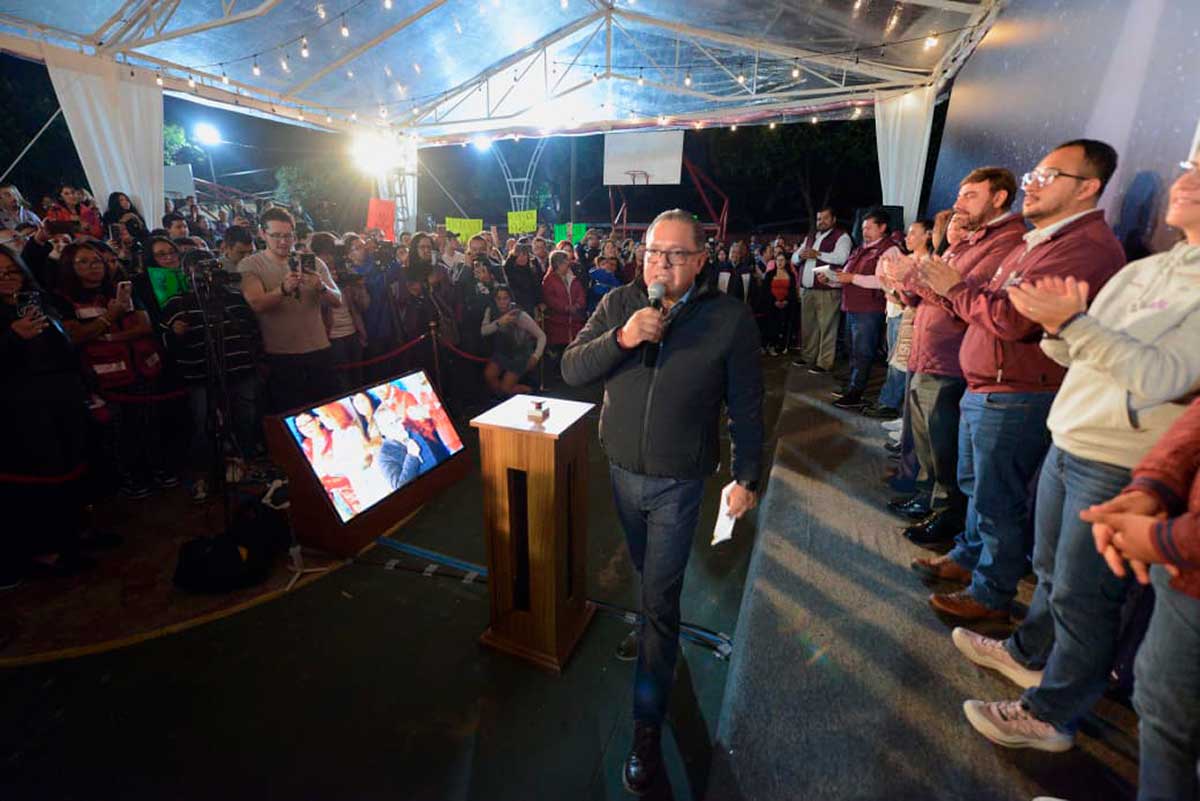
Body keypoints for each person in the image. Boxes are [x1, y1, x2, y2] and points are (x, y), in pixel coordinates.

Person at [955, 153, 1200, 753]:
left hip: (1123, 458)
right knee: (1052, 573)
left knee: (1086, 596)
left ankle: (1052, 715)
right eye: (1189, 165)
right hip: (1071, 435)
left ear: (1088, 186)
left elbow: (1164, 376)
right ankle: (1028, 654)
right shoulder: (1152, 270)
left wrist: (1074, 326)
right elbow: (1071, 348)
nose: (1186, 178)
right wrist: (1064, 327)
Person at [561, 209, 763, 796]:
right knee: (647, 574)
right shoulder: (620, 304)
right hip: (621, 471)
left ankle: (646, 729)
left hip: (679, 482)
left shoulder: (728, 319)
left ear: (701, 260)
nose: (661, 264)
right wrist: (624, 338)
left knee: (660, 597)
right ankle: (655, 629)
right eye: (652, 252)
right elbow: (573, 367)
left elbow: (747, 407)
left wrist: (747, 475)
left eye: (675, 254)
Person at [917, 139, 1127, 621]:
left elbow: (1013, 321)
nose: (1031, 185)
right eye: (1033, 175)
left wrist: (954, 287)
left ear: (1088, 188)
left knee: (997, 499)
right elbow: (990, 306)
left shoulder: (1082, 248)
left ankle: (991, 593)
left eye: (1048, 176)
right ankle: (969, 557)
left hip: (1017, 392)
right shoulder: (1040, 241)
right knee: (978, 488)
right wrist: (952, 290)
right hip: (988, 386)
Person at [899, 170, 1025, 554]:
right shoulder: (971, 241)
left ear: (999, 197)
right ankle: (932, 498)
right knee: (928, 442)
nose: (958, 205)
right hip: (930, 354)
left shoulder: (1005, 243)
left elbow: (961, 301)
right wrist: (916, 283)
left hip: (953, 360)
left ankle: (948, 513)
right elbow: (925, 292)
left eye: (970, 196)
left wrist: (928, 283)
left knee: (946, 448)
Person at [1083, 394, 1200, 801]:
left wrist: (1161, 539)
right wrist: (1152, 487)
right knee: (1164, 712)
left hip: (1181, 547)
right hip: (1183, 560)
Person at [0, 245, 96, 586]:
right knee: (36, 477)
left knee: (70, 468)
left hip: (62, 397)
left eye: (12, 271)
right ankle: (43, 552)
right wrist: (12, 336)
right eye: (0, 274)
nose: (7, 279)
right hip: (20, 408)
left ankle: (70, 538)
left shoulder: (39, 300)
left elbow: (68, 345)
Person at [56, 241, 172, 498]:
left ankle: (157, 469)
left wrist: (106, 336)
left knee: (149, 426)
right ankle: (128, 479)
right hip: (104, 380)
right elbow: (74, 336)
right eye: (83, 262)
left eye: (96, 260)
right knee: (118, 434)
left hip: (141, 369)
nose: (93, 267)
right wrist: (110, 317)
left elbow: (144, 325)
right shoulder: (63, 299)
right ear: (69, 266)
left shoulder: (121, 291)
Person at [161, 251, 263, 502]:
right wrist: (176, 333)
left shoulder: (236, 299)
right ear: (188, 274)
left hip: (240, 371)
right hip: (200, 375)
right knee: (203, 425)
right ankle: (204, 474)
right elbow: (167, 343)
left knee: (245, 418)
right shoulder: (178, 302)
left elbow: (252, 331)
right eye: (200, 269)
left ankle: (244, 465)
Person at [239, 207, 343, 413]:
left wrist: (320, 286)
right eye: (276, 236)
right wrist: (283, 290)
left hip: (319, 349)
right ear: (262, 234)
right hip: (282, 354)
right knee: (291, 414)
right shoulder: (250, 264)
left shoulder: (312, 262)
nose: (283, 241)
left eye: (287, 236)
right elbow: (257, 304)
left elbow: (337, 300)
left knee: (329, 410)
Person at [831, 209, 901, 409]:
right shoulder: (861, 249)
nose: (865, 232)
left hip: (869, 309)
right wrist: (834, 278)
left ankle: (856, 393)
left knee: (863, 352)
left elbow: (884, 281)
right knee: (852, 349)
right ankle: (851, 386)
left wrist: (851, 278)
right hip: (852, 306)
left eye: (869, 227)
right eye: (863, 228)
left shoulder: (890, 250)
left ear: (883, 227)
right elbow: (848, 274)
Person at [791, 208, 851, 373]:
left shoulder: (842, 236)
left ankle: (824, 363)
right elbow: (794, 257)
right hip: (808, 290)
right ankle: (808, 356)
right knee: (808, 326)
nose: (821, 222)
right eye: (819, 219)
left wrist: (818, 254)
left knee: (827, 327)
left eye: (825, 218)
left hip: (827, 290)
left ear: (833, 220)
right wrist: (799, 256)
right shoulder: (810, 237)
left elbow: (841, 257)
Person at [312, 232, 369, 389]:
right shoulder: (312, 276)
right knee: (341, 384)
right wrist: (325, 286)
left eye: (332, 254)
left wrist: (357, 286)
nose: (330, 259)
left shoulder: (345, 273)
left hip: (353, 333)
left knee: (358, 381)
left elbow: (364, 305)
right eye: (326, 254)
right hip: (331, 338)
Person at [480, 286, 545, 397]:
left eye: (505, 298)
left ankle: (529, 392)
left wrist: (536, 356)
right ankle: (502, 398)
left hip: (519, 355)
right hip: (502, 352)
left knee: (506, 388)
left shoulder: (519, 315)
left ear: (510, 299)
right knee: (489, 375)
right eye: (498, 299)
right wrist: (499, 322)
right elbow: (483, 331)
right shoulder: (491, 310)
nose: (502, 302)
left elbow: (541, 336)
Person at [541, 249, 586, 354]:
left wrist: (578, 305)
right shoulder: (549, 280)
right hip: (558, 326)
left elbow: (581, 294)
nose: (568, 265)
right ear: (558, 264)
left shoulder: (573, 278)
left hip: (574, 324)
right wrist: (565, 307)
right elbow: (550, 299)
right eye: (566, 262)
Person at [761, 246, 798, 355]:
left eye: (782, 260)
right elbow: (765, 291)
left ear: (786, 262)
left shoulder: (790, 275)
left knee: (784, 324)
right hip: (771, 304)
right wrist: (774, 301)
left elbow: (792, 291)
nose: (780, 262)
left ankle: (781, 345)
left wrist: (786, 301)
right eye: (778, 260)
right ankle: (769, 345)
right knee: (771, 324)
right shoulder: (769, 274)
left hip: (786, 304)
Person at [502, 241, 541, 311]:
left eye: (524, 255)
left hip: (531, 305)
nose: (522, 258)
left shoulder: (532, 270)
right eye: (519, 255)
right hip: (516, 306)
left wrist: (539, 302)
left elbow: (537, 287)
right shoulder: (510, 270)